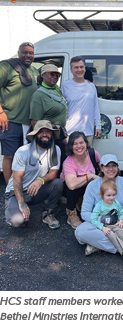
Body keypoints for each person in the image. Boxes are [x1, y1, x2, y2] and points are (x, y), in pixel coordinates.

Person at [75, 154, 123, 256]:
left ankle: (98, 246)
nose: (111, 169)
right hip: (100, 223)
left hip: (119, 222)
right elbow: (85, 213)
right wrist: (102, 220)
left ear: (117, 168)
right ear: (102, 168)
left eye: (114, 166)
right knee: (80, 232)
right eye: (107, 166)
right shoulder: (93, 185)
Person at [4, 120, 63, 229]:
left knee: (58, 183)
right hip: (16, 191)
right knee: (18, 222)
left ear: (51, 134)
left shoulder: (56, 150)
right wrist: (22, 203)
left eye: (48, 132)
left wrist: (40, 180)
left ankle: (48, 213)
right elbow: (17, 179)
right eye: (41, 132)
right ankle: (15, 206)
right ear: (35, 134)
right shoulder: (23, 151)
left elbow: (54, 173)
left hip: (35, 190)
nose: (45, 134)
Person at [0, 42, 39, 184]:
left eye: (31, 53)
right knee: (9, 156)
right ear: (18, 53)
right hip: (10, 121)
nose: (28, 55)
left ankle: (21, 187)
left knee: (24, 157)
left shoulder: (34, 71)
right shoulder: (7, 67)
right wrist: (0, 113)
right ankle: (10, 190)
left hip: (29, 123)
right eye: (25, 52)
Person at [91, 180, 123, 265]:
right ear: (102, 195)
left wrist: (121, 221)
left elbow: (121, 213)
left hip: (115, 224)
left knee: (122, 233)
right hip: (106, 227)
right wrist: (102, 228)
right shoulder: (99, 206)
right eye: (108, 195)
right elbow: (93, 219)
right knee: (111, 236)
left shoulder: (116, 203)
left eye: (113, 195)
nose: (111, 197)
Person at [60, 131, 101, 229]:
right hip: (69, 188)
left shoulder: (92, 153)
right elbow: (71, 185)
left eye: (81, 142)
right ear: (71, 146)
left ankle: (82, 201)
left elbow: (102, 166)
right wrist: (90, 175)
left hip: (87, 185)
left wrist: (102, 177)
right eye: (75, 143)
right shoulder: (68, 162)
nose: (79, 146)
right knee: (73, 188)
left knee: (99, 183)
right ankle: (71, 214)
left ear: (86, 143)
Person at [29, 64, 68, 161]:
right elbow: (35, 122)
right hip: (48, 136)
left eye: (57, 75)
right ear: (43, 75)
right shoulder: (39, 95)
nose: (55, 77)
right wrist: (42, 141)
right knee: (51, 163)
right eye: (52, 74)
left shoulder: (56, 90)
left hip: (59, 135)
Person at [61, 56, 102, 147]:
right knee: (70, 159)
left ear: (84, 68)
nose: (79, 70)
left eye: (81, 67)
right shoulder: (65, 86)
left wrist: (98, 126)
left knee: (86, 159)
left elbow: (95, 107)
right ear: (71, 70)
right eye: (76, 67)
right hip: (70, 131)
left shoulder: (91, 86)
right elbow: (61, 108)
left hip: (88, 131)